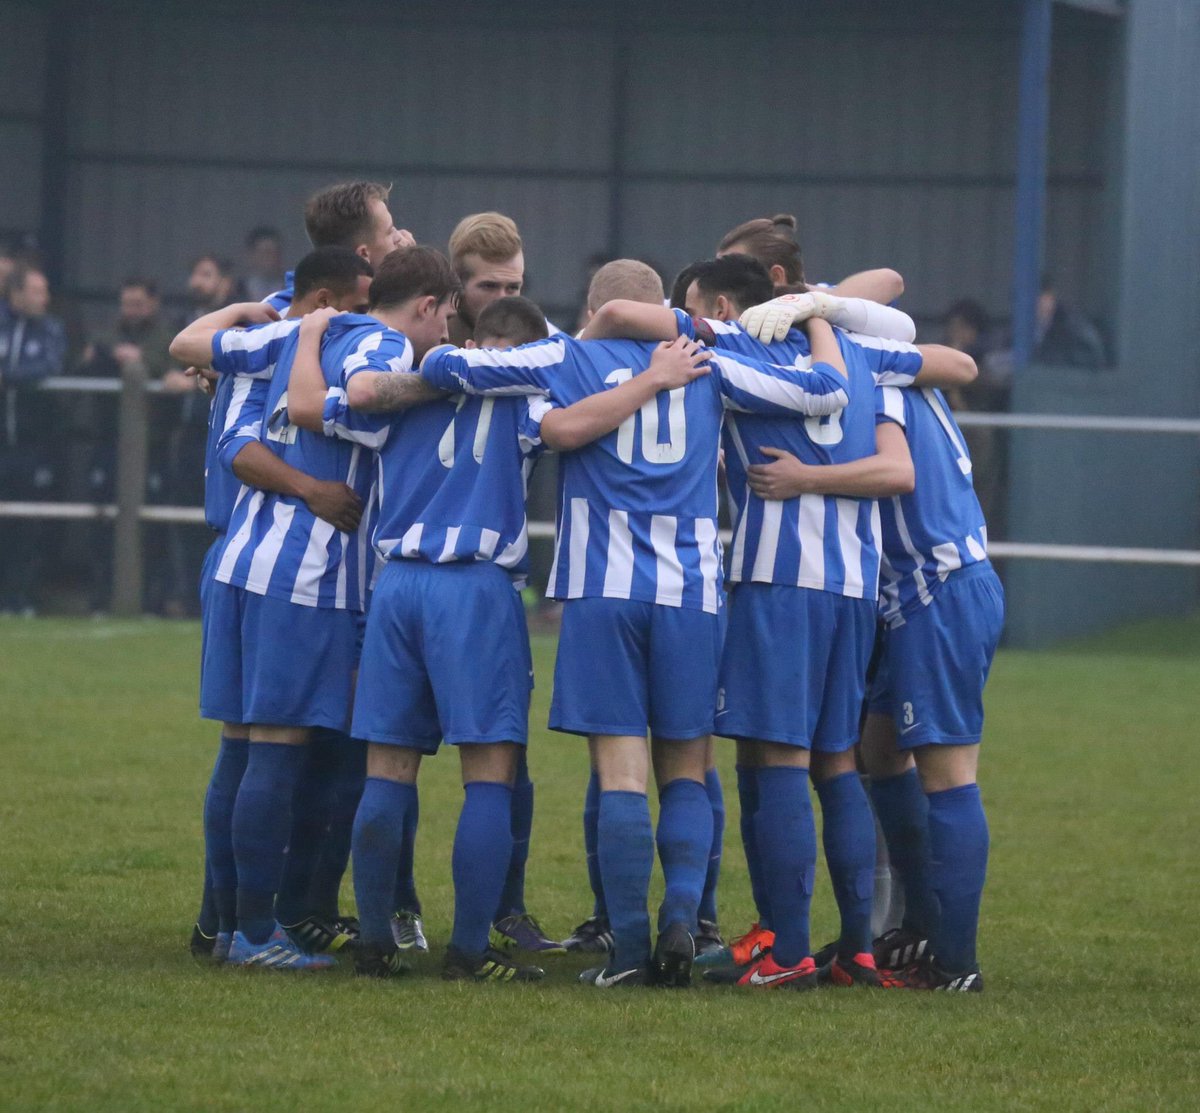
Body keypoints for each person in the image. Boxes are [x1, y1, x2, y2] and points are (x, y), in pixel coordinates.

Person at [421, 259, 852, 989]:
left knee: (620, 772)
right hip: (690, 593)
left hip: (601, 592)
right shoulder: (710, 364)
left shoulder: (568, 355)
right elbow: (823, 389)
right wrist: (816, 311)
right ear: (663, 311)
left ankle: (625, 948)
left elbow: (444, 368)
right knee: (686, 768)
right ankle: (682, 915)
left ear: (593, 307)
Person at [583, 255, 975, 988]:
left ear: (725, 305)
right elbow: (954, 361)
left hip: (779, 579)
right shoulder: (861, 353)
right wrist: (821, 309)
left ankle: (788, 951)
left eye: (697, 305)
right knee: (836, 761)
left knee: (783, 762)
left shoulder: (727, 348)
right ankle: (856, 945)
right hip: (857, 586)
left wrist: (681, 322)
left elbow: (631, 318)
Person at [746, 373, 1002, 992]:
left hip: (939, 592)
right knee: (882, 755)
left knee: (949, 774)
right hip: (914, 601)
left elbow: (897, 474)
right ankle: (920, 925)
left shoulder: (879, 379)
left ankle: (955, 964)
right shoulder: (900, 366)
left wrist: (804, 477)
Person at [169, 247, 379, 970]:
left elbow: (232, 438)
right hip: (301, 577)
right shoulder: (365, 345)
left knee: (239, 748)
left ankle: (225, 925)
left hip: (237, 562)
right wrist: (313, 489)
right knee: (274, 750)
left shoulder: (273, 340)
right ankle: (259, 932)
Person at [0, 263, 67, 614]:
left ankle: (19, 596)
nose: (45, 299)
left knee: (26, 526)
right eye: (37, 291)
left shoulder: (51, 330)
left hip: (32, 446)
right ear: (16, 294)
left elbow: (50, 365)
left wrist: (8, 377)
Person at [241, 226, 286, 303]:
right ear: (251, 256)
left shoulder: (291, 290)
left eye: (276, 252)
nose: (272, 258)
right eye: (267, 253)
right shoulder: (237, 291)